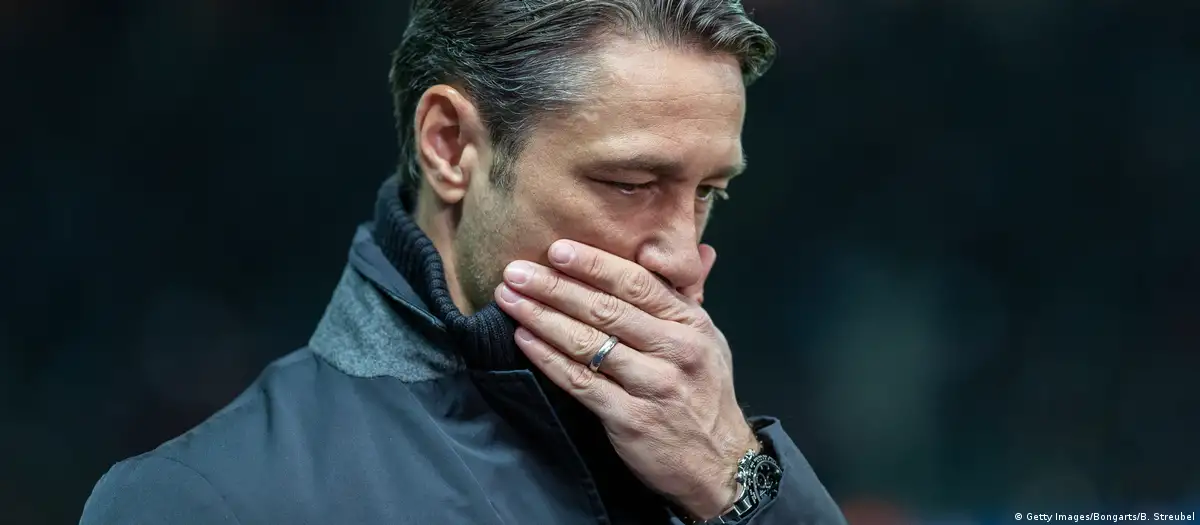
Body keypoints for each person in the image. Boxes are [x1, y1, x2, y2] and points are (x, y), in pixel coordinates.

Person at [81, 1, 847, 523]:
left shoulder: (711, 460)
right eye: (629, 183)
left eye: (708, 192)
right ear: (449, 146)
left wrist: (741, 486)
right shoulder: (205, 500)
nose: (683, 255)